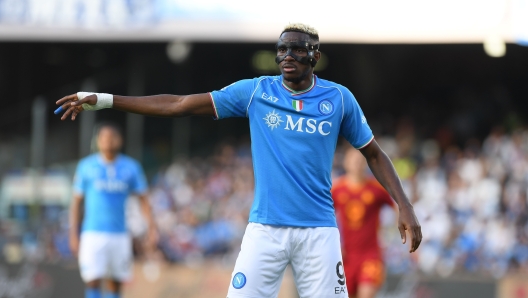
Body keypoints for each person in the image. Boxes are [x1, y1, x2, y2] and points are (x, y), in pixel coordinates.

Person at [56, 23, 422, 298]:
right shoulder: (256, 92)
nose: (287, 57)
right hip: (265, 230)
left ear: (315, 55)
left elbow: (374, 153)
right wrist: (104, 99)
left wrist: (403, 205)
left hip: (318, 232)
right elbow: (180, 104)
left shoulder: (339, 99)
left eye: (296, 50)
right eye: (281, 50)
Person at [69, 123, 157, 298]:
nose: (108, 141)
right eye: (104, 137)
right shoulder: (86, 167)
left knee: (115, 282)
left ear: (120, 140)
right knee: (92, 279)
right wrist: (73, 233)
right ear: (98, 141)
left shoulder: (131, 167)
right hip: (92, 233)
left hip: (119, 234)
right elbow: (76, 203)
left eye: (112, 137)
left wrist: (152, 228)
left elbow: (144, 200)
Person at [332, 147, 396, 298]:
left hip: (370, 254)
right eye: (353, 160)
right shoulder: (337, 189)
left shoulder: (376, 188)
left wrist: (397, 234)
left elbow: (398, 207)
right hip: (346, 256)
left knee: (366, 294)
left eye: (360, 160)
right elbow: (326, 216)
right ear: (346, 163)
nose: (356, 164)